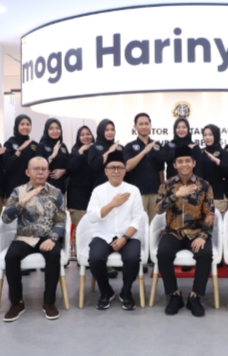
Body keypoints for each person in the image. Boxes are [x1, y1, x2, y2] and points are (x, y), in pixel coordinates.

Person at [2, 157, 67, 322]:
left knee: (54, 256)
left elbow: (61, 220)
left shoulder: (56, 192)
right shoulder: (18, 191)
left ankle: (49, 302)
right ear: (27, 172)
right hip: (25, 237)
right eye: (36, 169)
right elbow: (6, 218)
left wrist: (53, 238)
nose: (40, 172)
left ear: (48, 172)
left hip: (47, 237)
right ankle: (17, 302)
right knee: (11, 257)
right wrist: (24, 201)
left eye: (44, 169)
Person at [155, 146, 215, 317]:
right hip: (173, 232)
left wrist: (203, 236)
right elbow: (158, 209)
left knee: (205, 254)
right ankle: (174, 295)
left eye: (188, 161)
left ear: (194, 163)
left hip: (196, 232)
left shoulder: (204, 185)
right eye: (180, 161)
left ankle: (195, 296)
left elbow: (210, 213)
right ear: (174, 165)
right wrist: (176, 195)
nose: (184, 164)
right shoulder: (167, 185)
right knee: (163, 253)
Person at [85, 151, 145, 310]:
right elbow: (91, 217)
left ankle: (126, 292)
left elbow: (137, 219)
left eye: (120, 167)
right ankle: (106, 291)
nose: (116, 171)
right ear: (106, 171)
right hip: (103, 235)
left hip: (128, 235)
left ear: (125, 171)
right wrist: (112, 204)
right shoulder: (98, 191)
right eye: (112, 168)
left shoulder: (134, 190)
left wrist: (125, 238)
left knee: (133, 258)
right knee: (95, 258)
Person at [124, 113, 164, 222]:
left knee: (155, 225)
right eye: (140, 124)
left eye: (146, 124)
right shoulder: (129, 146)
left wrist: (162, 186)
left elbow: (161, 169)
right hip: (138, 193)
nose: (144, 126)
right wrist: (144, 151)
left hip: (155, 192)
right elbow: (128, 167)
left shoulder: (157, 145)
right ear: (135, 127)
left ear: (150, 125)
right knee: (139, 225)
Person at [67, 125, 95, 256]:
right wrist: (81, 152)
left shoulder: (96, 151)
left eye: (88, 134)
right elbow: (71, 168)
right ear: (78, 137)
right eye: (82, 135)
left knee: (94, 229)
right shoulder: (74, 152)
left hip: (93, 196)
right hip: (77, 198)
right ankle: (80, 256)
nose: (86, 137)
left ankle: (93, 257)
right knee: (81, 229)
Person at [199, 124, 228, 216]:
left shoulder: (223, 153)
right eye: (205, 135)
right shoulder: (200, 152)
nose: (207, 137)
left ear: (216, 135)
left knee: (218, 223)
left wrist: (217, 161)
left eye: (210, 135)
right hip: (202, 197)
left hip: (218, 197)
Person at [4, 114, 38, 198]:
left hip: (31, 189)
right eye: (22, 124)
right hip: (13, 189)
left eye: (28, 124)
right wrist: (20, 149)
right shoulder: (9, 143)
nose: (25, 127)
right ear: (16, 126)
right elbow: (7, 166)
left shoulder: (34, 145)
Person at [36, 118, 69, 194]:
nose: (55, 131)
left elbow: (69, 164)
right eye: (51, 128)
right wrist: (53, 154)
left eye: (57, 128)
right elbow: (39, 166)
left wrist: (64, 171)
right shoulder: (41, 146)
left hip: (61, 189)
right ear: (46, 130)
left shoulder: (62, 146)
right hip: (45, 189)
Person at [88, 119, 124, 188]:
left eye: (112, 130)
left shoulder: (120, 147)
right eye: (107, 130)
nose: (110, 132)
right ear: (101, 131)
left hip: (118, 187)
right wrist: (109, 151)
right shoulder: (94, 147)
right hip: (100, 187)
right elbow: (93, 166)